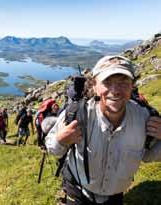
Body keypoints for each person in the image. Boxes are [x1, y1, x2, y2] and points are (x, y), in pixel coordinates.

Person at [45, 55, 161, 205]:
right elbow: (52, 148)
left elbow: (149, 155)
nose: (115, 90)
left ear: (133, 85)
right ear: (94, 85)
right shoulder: (78, 114)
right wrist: (60, 140)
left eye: (123, 82)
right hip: (77, 191)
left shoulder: (145, 118)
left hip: (114, 196)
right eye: (107, 82)